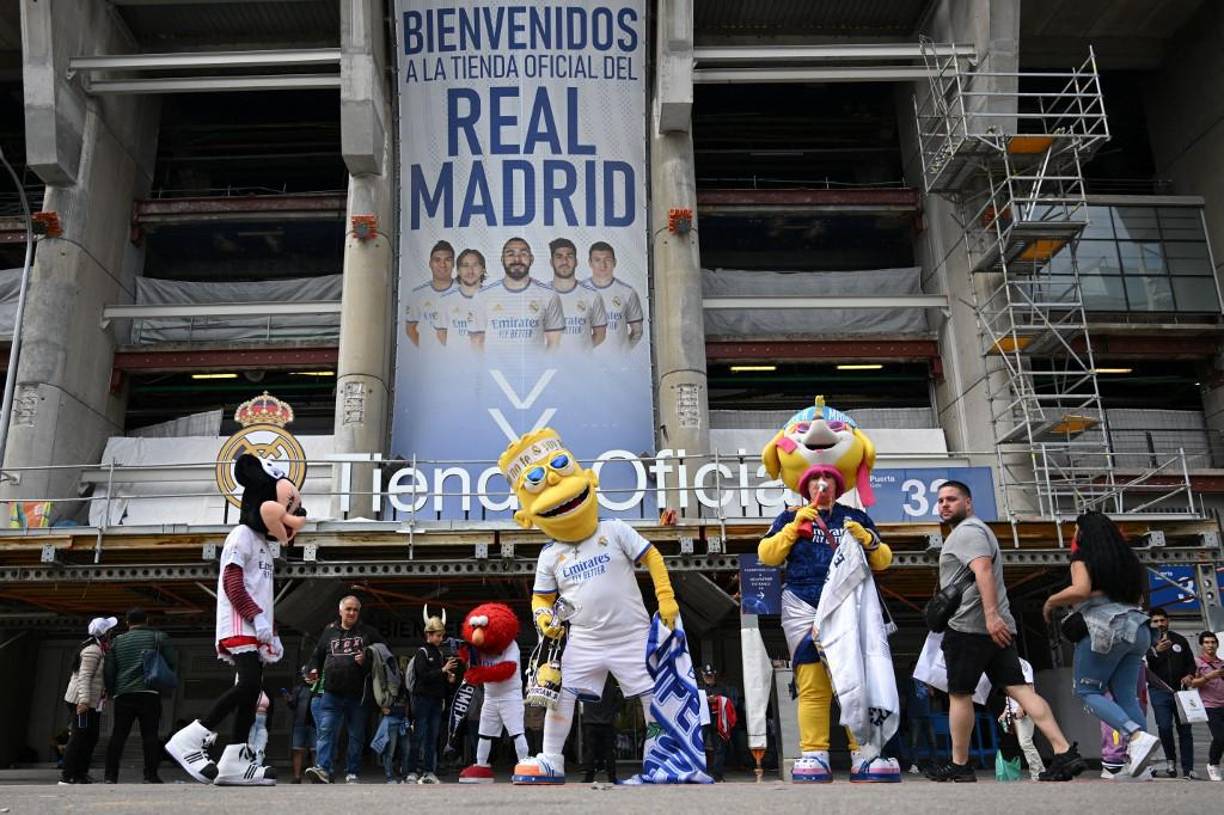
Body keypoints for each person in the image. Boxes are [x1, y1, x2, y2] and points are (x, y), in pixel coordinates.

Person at [931, 480, 1084, 782]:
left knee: (960, 694)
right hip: (993, 628)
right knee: (1020, 689)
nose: (944, 505)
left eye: (952, 499)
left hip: (969, 628)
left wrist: (990, 616)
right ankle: (1064, 752)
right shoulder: (977, 531)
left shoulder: (968, 532)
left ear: (968, 503)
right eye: (941, 501)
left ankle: (959, 765)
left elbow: (983, 570)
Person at [166, 453, 304, 786]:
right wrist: (256, 621)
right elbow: (231, 582)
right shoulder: (240, 535)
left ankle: (235, 758)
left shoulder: (261, 543)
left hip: (255, 628)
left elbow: (260, 592)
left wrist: (271, 631)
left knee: (253, 689)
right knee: (247, 687)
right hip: (239, 624)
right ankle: (192, 737)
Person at [1041, 510, 1158, 780]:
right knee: (1127, 696)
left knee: (1087, 691)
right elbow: (1136, 595)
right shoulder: (1128, 559)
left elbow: (1080, 590)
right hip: (1137, 627)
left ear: (1083, 533)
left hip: (1105, 629)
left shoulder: (1083, 557)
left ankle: (1136, 735)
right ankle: (1141, 766)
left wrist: (1051, 601)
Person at [304, 595, 385, 784]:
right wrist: (312, 669)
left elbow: (384, 654)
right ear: (340, 611)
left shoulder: (368, 632)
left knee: (356, 736)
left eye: (355, 610)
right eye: (348, 609)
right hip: (331, 693)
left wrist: (367, 659)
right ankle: (323, 769)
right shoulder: (329, 632)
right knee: (325, 731)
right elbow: (316, 656)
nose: (352, 613)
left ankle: (352, 772)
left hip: (358, 695)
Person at [103, 608, 175, 783]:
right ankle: (150, 775)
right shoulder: (159, 637)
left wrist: (112, 691)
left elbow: (109, 670)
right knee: (150, 735)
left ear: (127, 622)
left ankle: (110, 777)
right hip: (149, 693)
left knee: (118, 735)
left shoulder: (117, 641)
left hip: (123, 694)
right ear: (147, 620)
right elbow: (171, 662)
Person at [469, 237, 564, 351]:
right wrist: (488, 369)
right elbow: (476, 342)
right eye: (510, 254)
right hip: (494, 368)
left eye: (523, 254)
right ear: (502, 260)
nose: (517, 259)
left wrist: (542, 368)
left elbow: (554, 342)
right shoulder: (482, 296)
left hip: (535, 368)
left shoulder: (549, 295)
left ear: (532, 259)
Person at [59, 616, 117, 785]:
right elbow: (85, 677)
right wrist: (83, 702)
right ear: (105, 632)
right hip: (82, 702)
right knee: (79, 736)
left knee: (90, 737)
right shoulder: (93, 650)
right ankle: (67, 776)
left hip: (93, 704)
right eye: (110, 630)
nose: (112, 632)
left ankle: (80, 774)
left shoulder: (99, 648)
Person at [405, 611, 459, 784]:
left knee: (432, 737)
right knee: (418, 735)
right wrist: (442, 671)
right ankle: (411, 771)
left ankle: (429, 771)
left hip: (436, 701)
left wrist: (449, 680)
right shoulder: (421, 652)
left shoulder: (439, 654)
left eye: (442, 635)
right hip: (422, 700)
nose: (441, 638)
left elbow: (437, 679)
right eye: (438, 635)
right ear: (428, 634)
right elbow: (423, 675)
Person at [1145, 606, 1199, 778]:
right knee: (1165, 727)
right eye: (1155, 621)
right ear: (1150, 623)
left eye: (1162, 620)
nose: (1160, 624)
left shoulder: (1180, 640)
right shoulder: (1145, 642)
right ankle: (1170, 761)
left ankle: (1188, 768)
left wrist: (1190, 675)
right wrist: (1155, 651)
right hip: (1158, 690)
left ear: (1168, 621)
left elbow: (1191, 663)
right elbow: (1143, 665)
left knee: (1185, 729)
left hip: (1181, 691)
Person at [547, 237, 607, 349]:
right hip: (548, 365)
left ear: (576, 261)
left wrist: (581, 353)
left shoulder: (592, 295)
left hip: (582, 366)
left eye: (569, 256)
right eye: (559, 257)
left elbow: (600, 335)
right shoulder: (541, 295)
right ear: (551, 262)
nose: (564, 261)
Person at [586, 242, 643, 350]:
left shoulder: (627, 292)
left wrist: (623, 353)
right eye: (597, 260)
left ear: (615, 262)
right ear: (590, 263)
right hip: (586, 364)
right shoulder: (579, 291)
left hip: (617, 365)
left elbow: (637, 331)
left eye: (607, 260)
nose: (603, 265)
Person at [997, 659, 1044, 781]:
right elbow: (1009, 694)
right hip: (1013, 713)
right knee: (1023, 743)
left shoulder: (1021, 664)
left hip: (1023, 710)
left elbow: (1029, 687)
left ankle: (1037, 772)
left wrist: (1022, 706)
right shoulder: (1006, 665)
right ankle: (1038, 771)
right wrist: (1006, 711)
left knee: (1025, 742)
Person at [1188, 631, 1224, 781]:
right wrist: (1210, 676)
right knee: (1220, 736)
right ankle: (1213, 764)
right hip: (1210, 705)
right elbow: (1192, 683)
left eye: (1213, 642)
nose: (1210, 645)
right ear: (1202, 645)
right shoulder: (1197, 662)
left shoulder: (1221, 663)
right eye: (1207, 642)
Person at [404, 240, 454, 347]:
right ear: (430, 264)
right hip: (431, 360)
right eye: (437, 260)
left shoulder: (466, 291)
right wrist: (424, 351)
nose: (442, 264)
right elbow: (410, 329)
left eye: (448, 260)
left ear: (454, 263)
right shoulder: (417, 295)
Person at [438, 248, 487, 345]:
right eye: (465, 265)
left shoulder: (492, 298)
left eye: (475, 265)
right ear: (458, 271)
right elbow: (441, 334)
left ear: (483, 270)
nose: (470, 270)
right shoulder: (445, 300)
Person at [581, 676, 623, 784]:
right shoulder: (612, 688)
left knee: (590, 751)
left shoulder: (588, 686)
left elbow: (580, 699)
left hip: (590, 722)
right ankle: (612, 777)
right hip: (607, 722)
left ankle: (589, 777)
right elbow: (620, 702)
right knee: (609, 752)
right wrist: (612, 712)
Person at [699, 665, 736, 782]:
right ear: (702, 675)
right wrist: (705, 699)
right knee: (699, 747)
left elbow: (730, 703)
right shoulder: (698, 688)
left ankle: (717, 775)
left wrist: (718, 699)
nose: (709, 678)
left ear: (714, 675)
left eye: (711, 676)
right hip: (703, 721)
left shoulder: (722, 688)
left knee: (719, 749)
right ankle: (699, 773)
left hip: (718, 722)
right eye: (707, 676)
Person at [283, 667, 317, 783]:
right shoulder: (299, 689)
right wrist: (288, 700)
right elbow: (293, 705)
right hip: (300, 723)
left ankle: (317, 775)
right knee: (297, 749)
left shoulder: (318, 688)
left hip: (315, 723)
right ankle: (297, 777)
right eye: (305, 674)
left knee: (315, 750)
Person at [374, 681, 411, 784]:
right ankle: (390, 777)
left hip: (402, 718)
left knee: (406, 750)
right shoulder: (385, 671)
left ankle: (405, 776)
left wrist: (407, 716)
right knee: (390, 750)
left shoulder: (402, 678)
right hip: (391, 718)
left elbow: (407, 701)